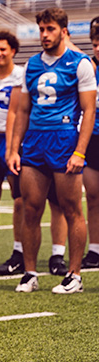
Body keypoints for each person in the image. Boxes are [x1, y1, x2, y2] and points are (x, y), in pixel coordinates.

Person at [0, 31, 69, 278]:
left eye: (3, 49)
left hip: (19, 140)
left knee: (22, 199)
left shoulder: (22, 74)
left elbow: (18, 112)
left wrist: (14, 146)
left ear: (13, 50)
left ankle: (22, 251)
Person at [7, 7, 97, 294]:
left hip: (64, 140)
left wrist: (80, 151)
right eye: (41, 29)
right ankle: (30, 273)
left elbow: (89, 110)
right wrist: (14, 149)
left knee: (71, 209)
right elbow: (22, 110)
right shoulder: (31, 65)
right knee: (30, 209)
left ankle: (74, 275)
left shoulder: (80, 63)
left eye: (50, 29)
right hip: (34, 142)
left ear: (63, 30)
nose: (44, 35)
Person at [81, 16, 99, 269]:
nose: (98, 49)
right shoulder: (88, 68)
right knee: (93, 196)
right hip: (92, 137)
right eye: (95, 44)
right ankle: (94, 250)